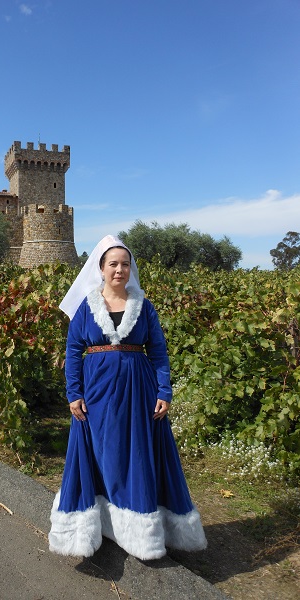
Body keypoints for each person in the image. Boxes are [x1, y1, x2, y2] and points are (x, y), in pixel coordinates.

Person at [49, 234, 207, 560]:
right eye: (113, 264)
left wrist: (165, 390)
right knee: (101, 452)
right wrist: (73, 393)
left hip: (139, 390)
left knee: (135, 452)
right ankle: (101, 526)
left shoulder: (143, 306)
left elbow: (159, 352)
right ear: (102, 269)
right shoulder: (86, 307)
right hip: (96, 392)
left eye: (125, 264)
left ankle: (139, 534)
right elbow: (74, 350)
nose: (119, 270)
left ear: (130, 268)